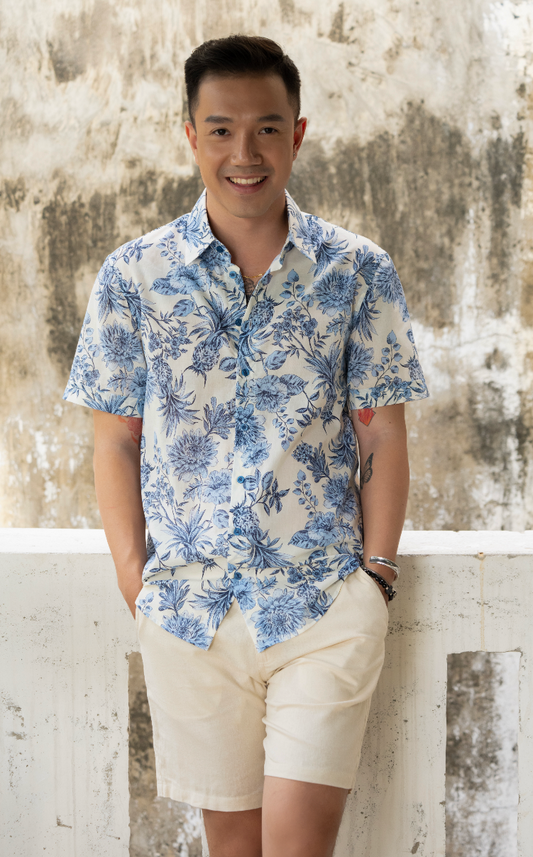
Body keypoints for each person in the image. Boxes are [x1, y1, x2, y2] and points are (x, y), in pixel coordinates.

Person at [64, 34, 428, 857]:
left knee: (299, 849)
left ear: (297, 133)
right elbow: (115, 440)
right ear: (189, 133)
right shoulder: (134, 276)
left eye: (266, 128)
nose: (244, 152)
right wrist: (137, 582)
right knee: (233, 850)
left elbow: (383, 433)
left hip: (322, 605)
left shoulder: (357, 271)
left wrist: (374, 574)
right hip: (191, 616)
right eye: (221, 128)